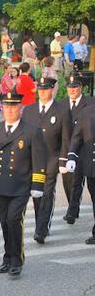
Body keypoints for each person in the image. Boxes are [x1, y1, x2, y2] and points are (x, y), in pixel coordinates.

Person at [0, 93, 47, 276]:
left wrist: (38, 184)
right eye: (7, 107)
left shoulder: (31, 131)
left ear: (20, 108)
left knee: (14, 219)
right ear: (2, 108)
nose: (10, 110)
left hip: (21, 185)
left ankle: (17, 259)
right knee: (4, 222)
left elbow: (39, 159)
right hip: (2, 184)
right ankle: (7, 256)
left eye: (14, 107)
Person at [21, 77, 71, 244]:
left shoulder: (62, 110)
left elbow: (66, 138)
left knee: (47, 192)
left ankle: (41, 230)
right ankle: (40, 223)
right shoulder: (29, 110)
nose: (42, 92)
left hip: (51, 157)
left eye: (46, 89)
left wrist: (64, 160)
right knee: (37, 194)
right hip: (33, 160)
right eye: (40, 89)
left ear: (52, 90)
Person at [63, 72, 93, 224]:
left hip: (86, 149)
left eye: (75, 87)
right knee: (70, 182)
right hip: (68, 148)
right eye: (70, 87)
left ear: (81, 88)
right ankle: (73, 209)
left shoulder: (90, 103)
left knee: (79, 182)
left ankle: (72, 212)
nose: (72, 90)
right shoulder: (62, 104)